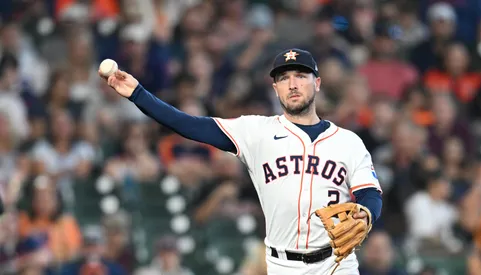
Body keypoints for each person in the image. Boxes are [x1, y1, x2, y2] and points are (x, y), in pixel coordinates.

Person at [99, 48, 383, 274]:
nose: (293, 84)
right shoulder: (256, 131)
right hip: (284, 266)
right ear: (275, 88)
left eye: (301, 75)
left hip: (337, 264)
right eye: (283, 78)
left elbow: (370, 193)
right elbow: (189, 124)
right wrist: (139, 95)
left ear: (317, 83)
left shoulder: (348, 142)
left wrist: (367, 213)